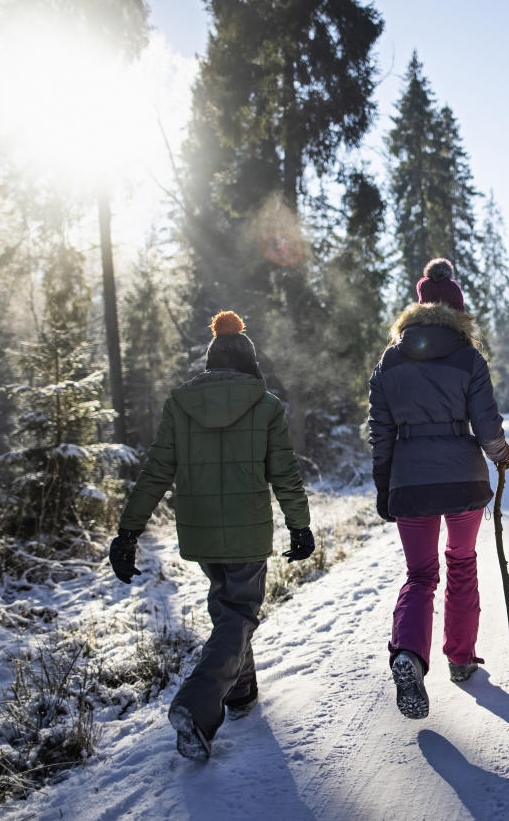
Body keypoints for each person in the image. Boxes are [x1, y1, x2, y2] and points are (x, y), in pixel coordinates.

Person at [108, 311, 316, 760]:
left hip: (200, 528)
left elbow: (156, 470)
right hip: (246, 529)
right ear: (249, 362)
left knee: (226, 607)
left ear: (211, 360)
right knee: (239, 613)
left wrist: (128, 531)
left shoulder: (181, 403)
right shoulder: (266, 405)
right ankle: (197, 706)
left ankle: (241, 693)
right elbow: (284, 474)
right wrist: (300, 525)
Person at [368, 258, 509, 720]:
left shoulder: (389, 362)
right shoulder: (469, 358)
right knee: (462, 562)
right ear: (458, 311)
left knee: (420, 574)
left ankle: (409, 655)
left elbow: (380, 432)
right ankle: (459, 656)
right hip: (463, 478)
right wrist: (500, 455)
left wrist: (383, 485)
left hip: (411, 480)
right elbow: (486, 422)